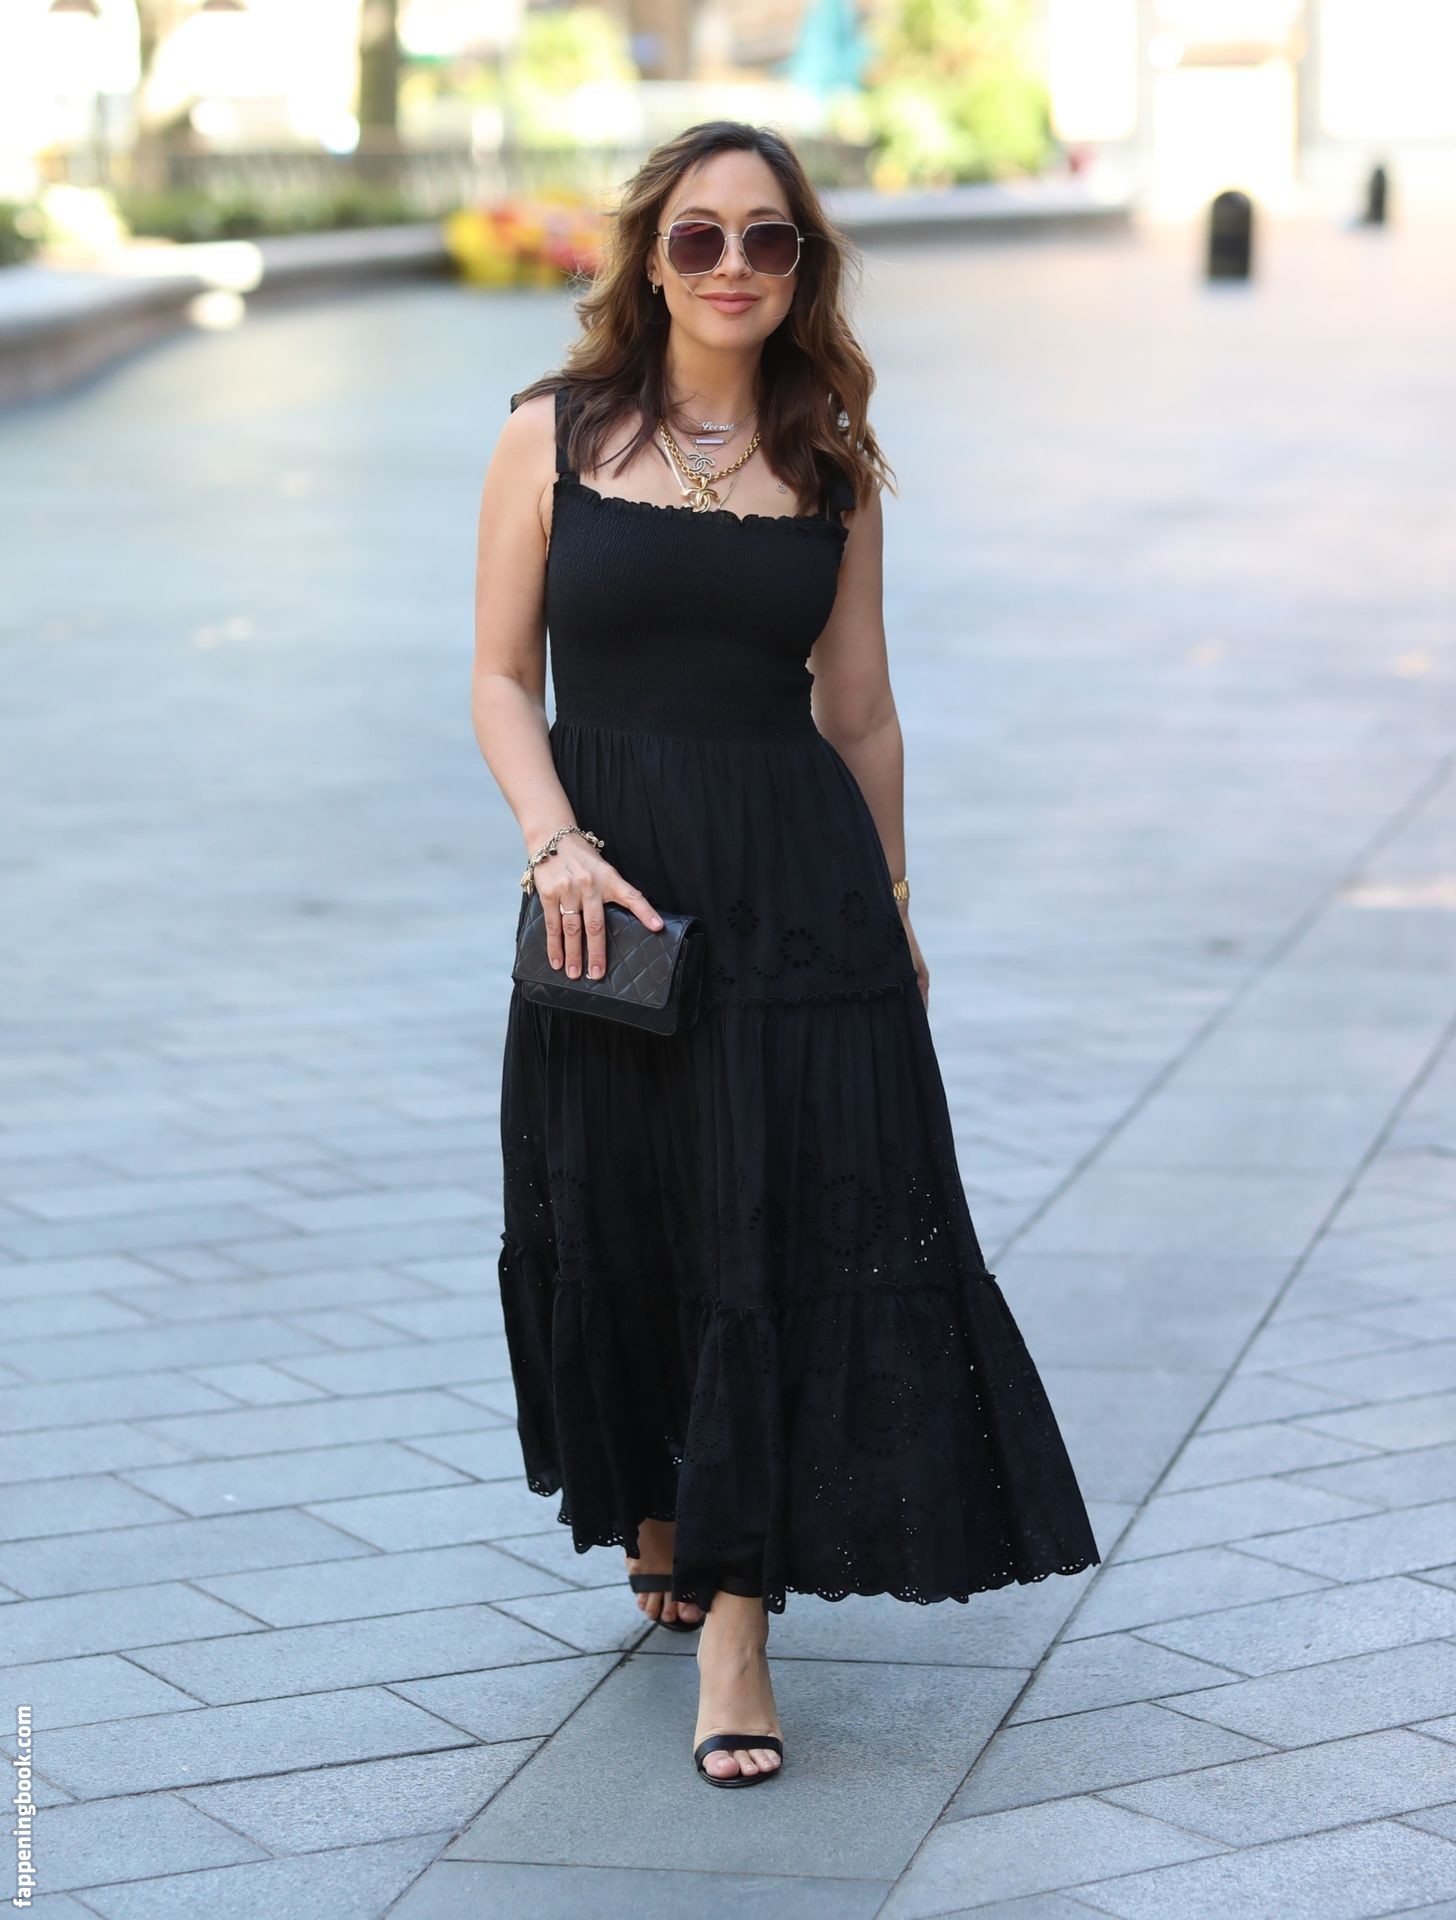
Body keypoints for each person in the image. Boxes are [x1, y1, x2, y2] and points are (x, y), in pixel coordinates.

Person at [470, 120, 1100, 1789]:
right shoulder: (550, 433)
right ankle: (663, 1507)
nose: (734, 265)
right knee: (624, 1207)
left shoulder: (830, 455)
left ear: (803, 265)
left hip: (795, 894)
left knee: (767, 1229)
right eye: (700, 236)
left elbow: (862, 708)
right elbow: (498, 677)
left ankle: (739, 1628)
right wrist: (555, 843)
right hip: (608, 896)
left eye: (769, 238)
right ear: (649, 257)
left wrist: (893, 904)